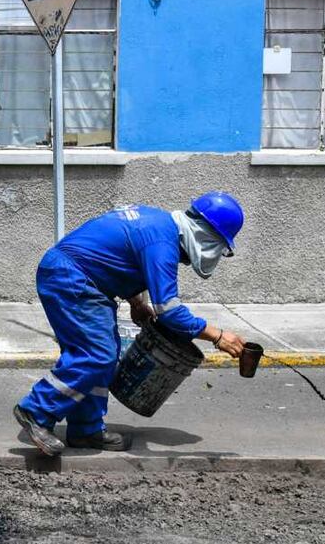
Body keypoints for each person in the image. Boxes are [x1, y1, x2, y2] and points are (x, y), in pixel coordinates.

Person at [13, 192, 247, 457]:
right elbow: (169, 311)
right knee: (96, 355)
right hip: (71, 278)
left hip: (80, 278)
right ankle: (35, 410)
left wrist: (136, 303)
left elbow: (117, 257)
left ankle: (86, 429)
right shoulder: (162, 243)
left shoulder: (160, 225)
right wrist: (217, 336)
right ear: (207, 237)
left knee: (105, 355)